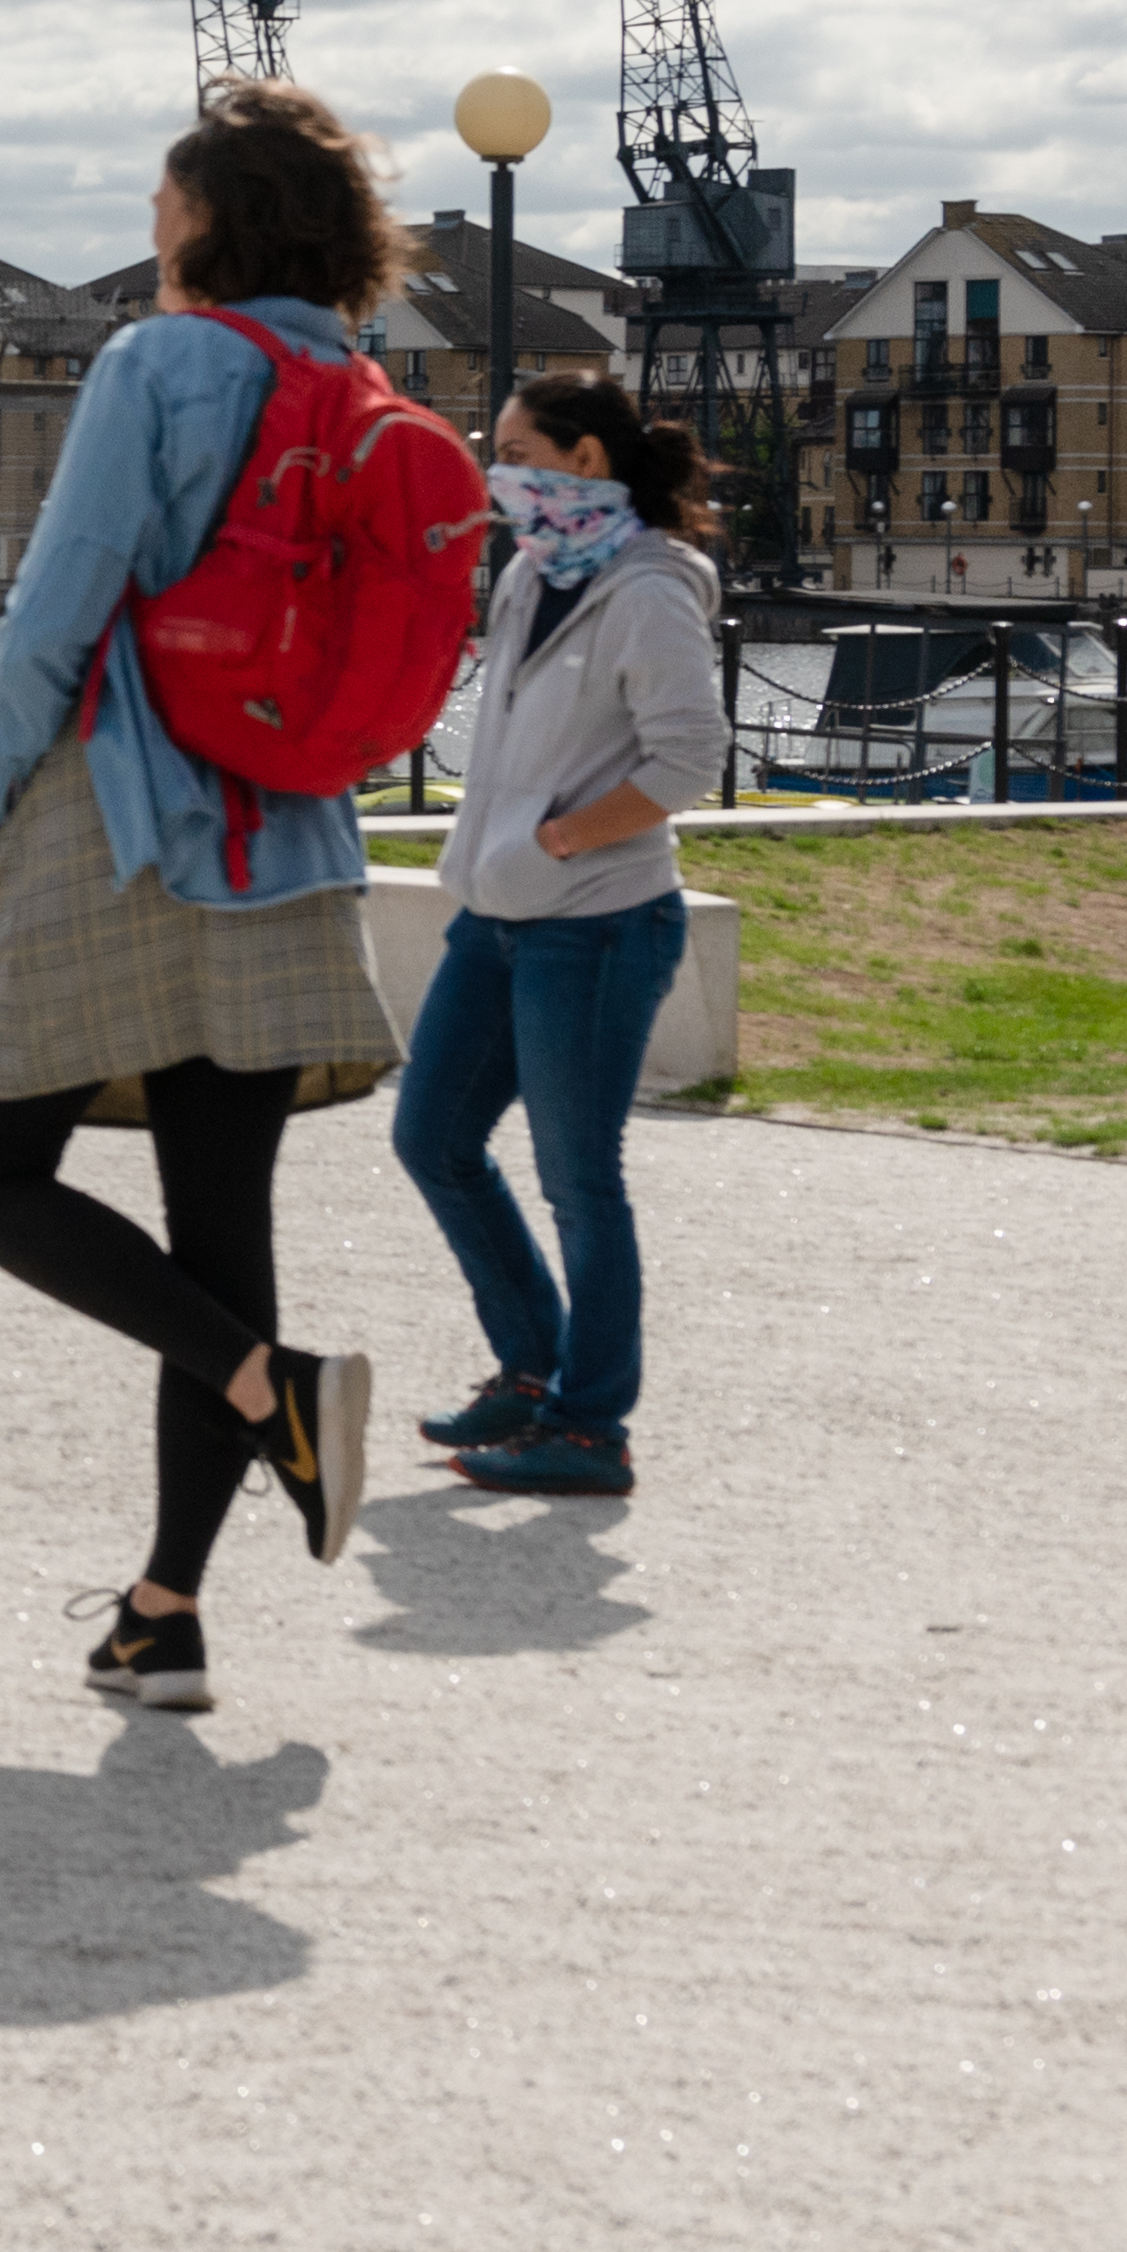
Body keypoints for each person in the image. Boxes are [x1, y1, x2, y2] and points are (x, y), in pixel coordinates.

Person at [0, 79, 406, 1714]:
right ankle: (162, 1612)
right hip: (287, 834)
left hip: (119, 824)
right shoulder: (351, 379)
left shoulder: (155, 361)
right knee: (218, 1234)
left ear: (208, 215)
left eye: (157, 197)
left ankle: (273, 1390)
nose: (144, 221)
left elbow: (57, 603)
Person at [390, 373, 727, 1501]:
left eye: (517, 450)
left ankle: (592, 1426)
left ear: (585, 460)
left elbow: (686, 761)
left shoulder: (652, 588)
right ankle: (532, 1371)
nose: (501, 472)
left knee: (580, 1180)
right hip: (495, 918)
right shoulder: (533, 572)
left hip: (596, 924)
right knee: (431, 1135)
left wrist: (562, 841)